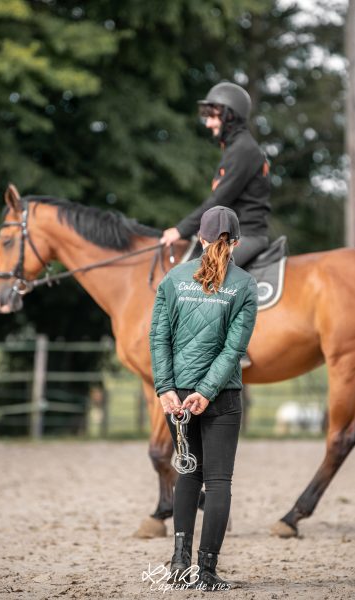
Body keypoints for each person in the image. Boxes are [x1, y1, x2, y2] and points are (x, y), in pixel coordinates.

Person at [150, 206, 258, 591]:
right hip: (221, 396)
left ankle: (179, 564)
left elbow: (158, 338)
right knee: (218, 481)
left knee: (187, 475)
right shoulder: (245, 285)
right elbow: (233, 351)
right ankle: (207, 572)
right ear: (237, 244)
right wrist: (207, 392)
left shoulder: (172, 279)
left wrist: (166, 388)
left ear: (201, 238)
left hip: (176, 397)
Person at [159, 82, 272, 269]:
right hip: (229, 234)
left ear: (229, 116)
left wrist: (180, 230)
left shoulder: (242, 150)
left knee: (196, 279)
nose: (208, 123)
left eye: (212, 116)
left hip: (246, 235)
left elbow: (219, 201)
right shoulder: (235, 148)